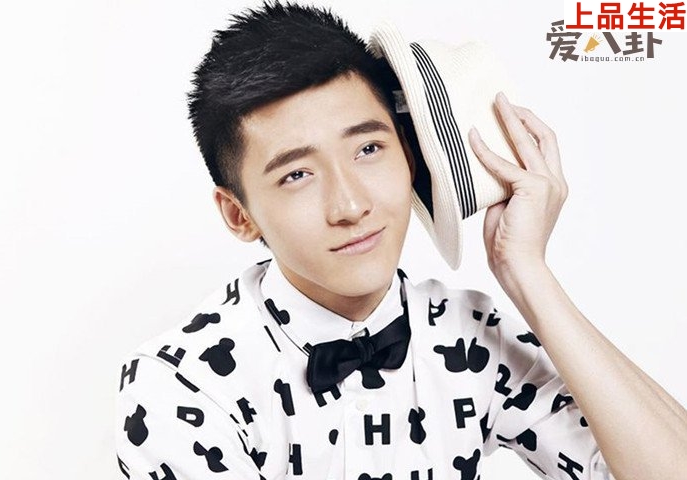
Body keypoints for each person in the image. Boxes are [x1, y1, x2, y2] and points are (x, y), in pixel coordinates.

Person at [114, 2, 687, 479]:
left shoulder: (470, 334)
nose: (350, 206)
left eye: (368, 149)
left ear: (411, 156)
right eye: (297, 175)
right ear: (239, 215)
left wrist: (527, 273)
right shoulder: (182, 387)